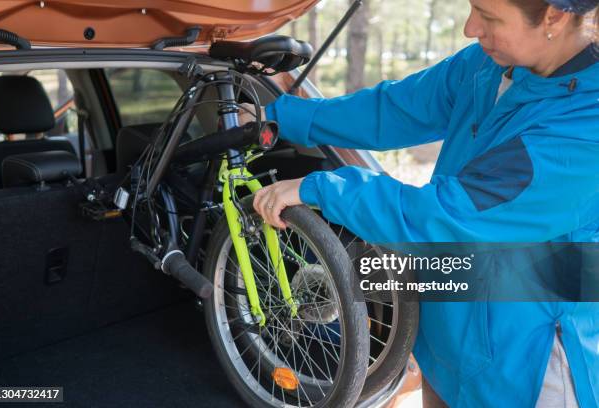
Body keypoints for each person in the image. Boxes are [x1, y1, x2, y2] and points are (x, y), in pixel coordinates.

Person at [241, 0, 599, 406]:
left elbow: (451, 217)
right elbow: (394, 110)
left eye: (489, 16)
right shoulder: (490, 64)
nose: (469, 28)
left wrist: (322, 188)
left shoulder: (587, 127)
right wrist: (277, 115)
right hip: (449, 331)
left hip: (524, 362)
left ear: (554, 16)